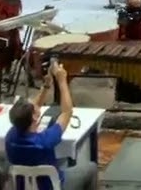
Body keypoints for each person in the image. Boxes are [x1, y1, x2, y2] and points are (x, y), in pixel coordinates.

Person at [6, 62, 86, 190]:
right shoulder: (45, 140)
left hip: (24, 186)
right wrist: (62, 81)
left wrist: (46, 85)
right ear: (34, 117)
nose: (35, 105)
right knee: (90, 168)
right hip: (51, 186)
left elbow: (33, 107)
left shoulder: (10, 137)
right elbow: (67, 112)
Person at [114, 0, 141, 105]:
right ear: (127, 0)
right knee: (128, 73)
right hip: (129, 47)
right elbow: (122, 33)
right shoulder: (123, 13)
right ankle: (124, 99)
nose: (137, 0)